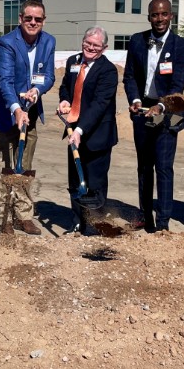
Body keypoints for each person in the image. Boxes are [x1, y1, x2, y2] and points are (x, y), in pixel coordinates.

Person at [0, 0, 56, 235]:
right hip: (4, 112)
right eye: (28, 18)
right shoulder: (6, 43)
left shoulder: (49, 41)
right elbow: (4, 80)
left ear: (43, 21)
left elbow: (49, 76)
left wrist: (37, 90)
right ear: (20, 19)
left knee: (24, 166)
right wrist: (16, 108)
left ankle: (24, 215)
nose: (33, 22)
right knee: (3, 166)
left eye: (38, 19)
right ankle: (4, 219)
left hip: (30, 111)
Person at [122, 0, 184, 233]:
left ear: (171, 16)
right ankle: (144, 216)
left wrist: (161, 107)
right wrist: (136, 100)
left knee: (163, 166)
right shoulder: (137, 41)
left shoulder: (180, 45)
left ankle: (162, 222)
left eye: (163, 14)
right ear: (149, 17)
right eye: (154, 15)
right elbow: (130, 76)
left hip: (168, 110)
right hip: (143, 109)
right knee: (144, 166)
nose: (159, 19)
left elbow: (178, 82)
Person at [57, 27, 118, 234]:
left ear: (104, 48)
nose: (90, 48)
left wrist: (80, 130)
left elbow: (100, 104)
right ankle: (77, 222)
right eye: (87, 43)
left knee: (94, 183)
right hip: (73, 130)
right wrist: (64, 100)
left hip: (97, 135)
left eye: (96, 45)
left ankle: (94, 225)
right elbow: (66, 86)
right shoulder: (73, 61)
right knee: (75, 181)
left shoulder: (108, 70)